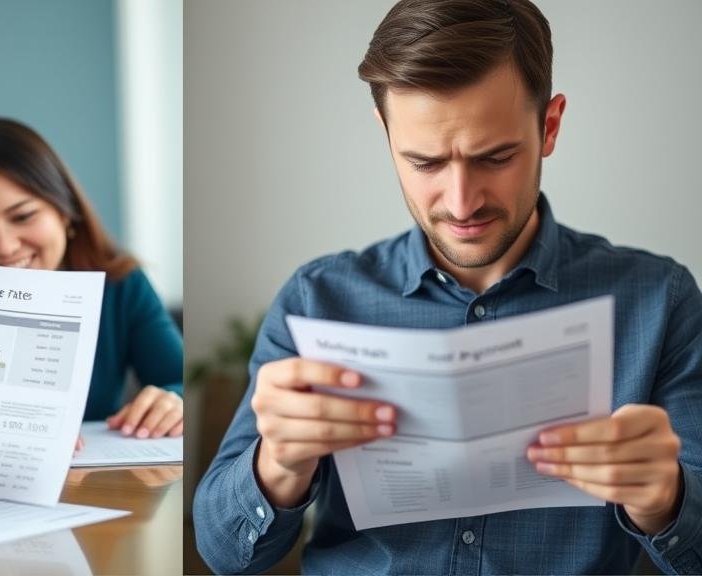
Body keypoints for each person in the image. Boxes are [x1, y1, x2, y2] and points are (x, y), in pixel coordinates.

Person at [193, 0, 702, 574]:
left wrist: (666, 498)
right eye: (425, 162)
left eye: (496, 157)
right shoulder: (318, 301)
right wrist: (278, 466)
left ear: (549, 127)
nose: (462, 203)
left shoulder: (660, 301)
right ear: (386, 135)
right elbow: (223, 555)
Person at [0, 118, 184, 438]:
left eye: (23, 216)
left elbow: (178, 379)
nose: (5, 246)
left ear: (65, 211)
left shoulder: (121, 285)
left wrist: (173, 402)